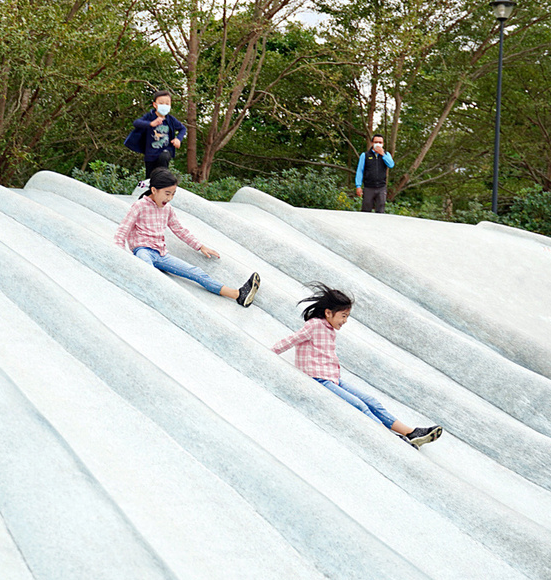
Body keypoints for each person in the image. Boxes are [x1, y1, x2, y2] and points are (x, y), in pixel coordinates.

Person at [270, 283, 442, 448]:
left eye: (347, 316)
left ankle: (411, 432)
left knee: (370, 401)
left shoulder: (328, 329)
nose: (345, 321)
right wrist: (268, 353)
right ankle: (393, 440)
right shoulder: (314, 325)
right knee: (359, 406)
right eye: (343, 316)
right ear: (328, 313)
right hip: (318, 379)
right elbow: (291, 340)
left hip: (333, 378)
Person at [115, 167, 260, 307]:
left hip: (161, 254)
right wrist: (119, 255)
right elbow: (123, 230)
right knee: (147, 268)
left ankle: (238, 294)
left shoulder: (167, 209)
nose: (170, 198)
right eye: (167, 193)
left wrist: (200, 246)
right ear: (154, 190)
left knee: (195, 272)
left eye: (173, 194)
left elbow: (179, 230)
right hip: (142, 251)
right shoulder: (140, 206)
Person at [123, 90, 188, 179]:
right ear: (155, 105)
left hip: (165, 150)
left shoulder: (171, 119)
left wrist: (178, 139)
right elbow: (136, 123)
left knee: (163, 160)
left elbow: (182, 128)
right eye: (161, 103)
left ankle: (163, 180)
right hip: (150, 153)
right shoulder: (150, 116)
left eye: (167, 103)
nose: (164, 105)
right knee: (150, 178)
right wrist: (150, 124)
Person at [354, 134, 394, 213]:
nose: (378, 144)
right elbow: (360, 171)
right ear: (372, 143)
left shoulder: (386, 154)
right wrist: (358, 186)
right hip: (368, 187)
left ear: (383, 144)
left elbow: (391, 165)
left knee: (380, 211)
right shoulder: (365, 155)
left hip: (381, 187)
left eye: (380, 142)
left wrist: (382, 154)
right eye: (376, 142)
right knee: (366, 211)